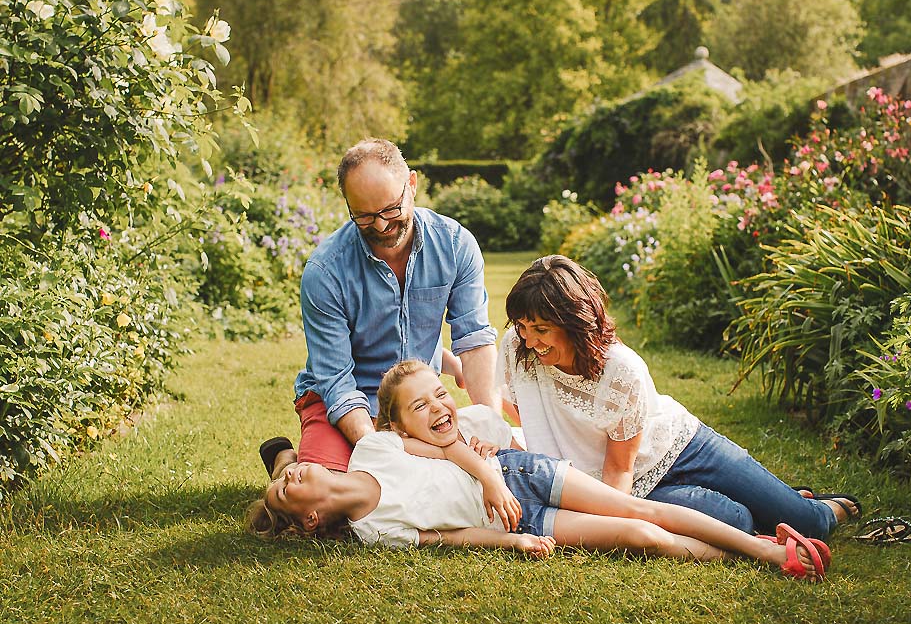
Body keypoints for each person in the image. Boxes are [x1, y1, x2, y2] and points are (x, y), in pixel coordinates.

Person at [249, 360, 830, 581]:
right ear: (308, 519)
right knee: (637, 536)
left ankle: (770, 553)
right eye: (282, 490)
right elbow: (446, 538)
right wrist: (511, 540)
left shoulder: (375, 449)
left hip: (521, 476)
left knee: (639, 509)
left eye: (285, 471)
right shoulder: (376, 532)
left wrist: (493, 479)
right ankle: (756, 549)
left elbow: (452, 450)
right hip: (515, 520)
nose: (288, 477)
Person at [497, 255, 861, 541]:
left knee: (805, 524)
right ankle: (768, 503)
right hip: (630, 486)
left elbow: (618, 468)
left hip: (683, 447)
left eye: (541, 329)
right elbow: (515, 407)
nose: (530, 341)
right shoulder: (517, 348)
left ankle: (823, 509)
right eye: (523, 327)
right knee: (739, 520)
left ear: (575, 323)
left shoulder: (621, 369)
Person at [262, 138, 501, 478]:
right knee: (331, 503)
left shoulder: (454, 245)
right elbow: (336, 381)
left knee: (454, 484)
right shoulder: (326, 272)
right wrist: (380, 449)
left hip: (415, 404)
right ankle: (286, 460)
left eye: (390, 210)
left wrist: (487, 425)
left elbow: (474, 341)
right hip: (344, 399)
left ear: (412, 185)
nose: (381, 226)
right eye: (364, 217)